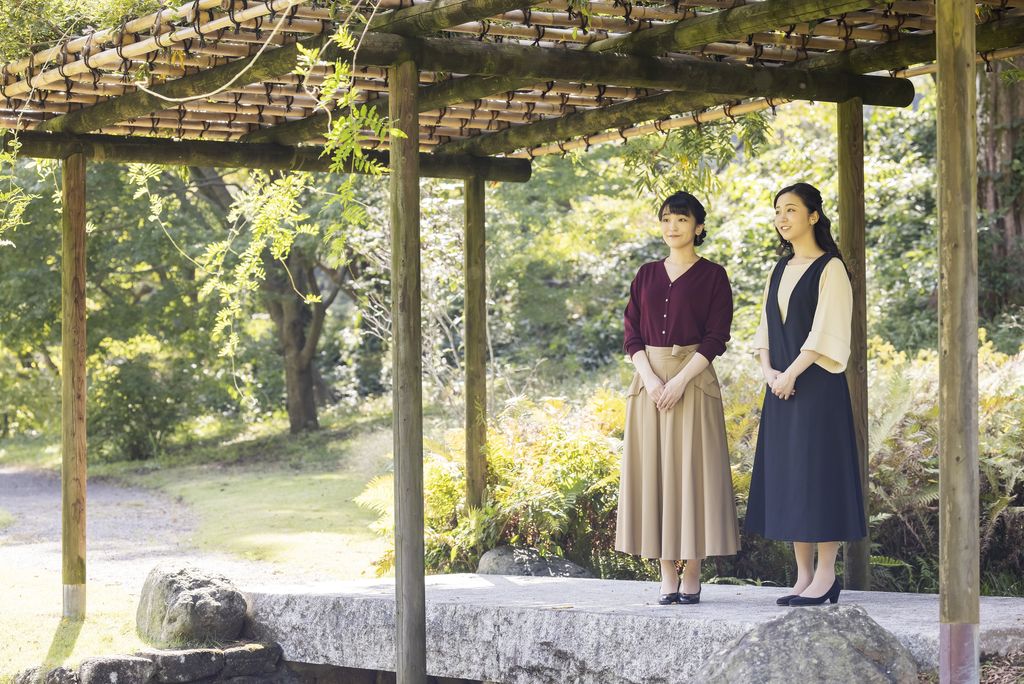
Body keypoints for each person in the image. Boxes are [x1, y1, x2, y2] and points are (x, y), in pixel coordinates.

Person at [745, 182, 867, 607]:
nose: (782, 218)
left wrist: (791, 373)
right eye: (778, 210)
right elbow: (764, 328)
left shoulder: (831, 268)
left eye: (791, 209)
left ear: (813, 216)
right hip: (780, 387)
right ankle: (803, 576)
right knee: (792, 478)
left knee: (820, 476)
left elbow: (826, 332)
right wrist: (769, 373)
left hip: (817, 389)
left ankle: (827, 576)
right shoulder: (778, 269)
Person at [616, 191, 740, 605]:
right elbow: (631, 333)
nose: (673, 226)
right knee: (655, 476)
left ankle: (693, 572)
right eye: (667, 219)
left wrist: (681, 380)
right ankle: (666, 572)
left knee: (694, 477)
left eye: (682, 220)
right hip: (648, 384)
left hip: (694, 380)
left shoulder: (714, 276)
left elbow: (717, 336)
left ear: (698, 227)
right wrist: (651, 380)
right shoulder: (646, 274)